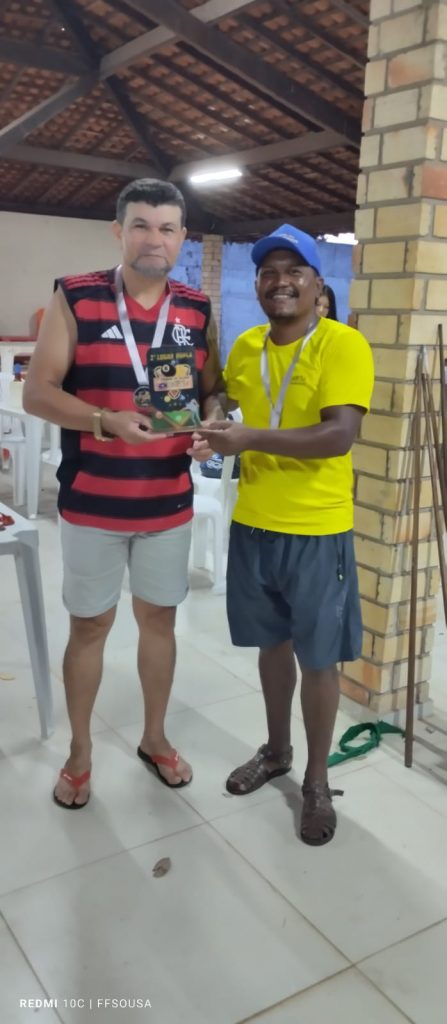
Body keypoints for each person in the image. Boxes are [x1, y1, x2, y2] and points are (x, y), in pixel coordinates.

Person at [24, 178, 223, 808]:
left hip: (168, 503)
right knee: (90, 627)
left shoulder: (196, 308)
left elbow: (212, 391)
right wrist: (103, 420)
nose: (153, 239)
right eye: (140, 225)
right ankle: (80, 753)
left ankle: (154, 738)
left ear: (182, 237)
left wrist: (213, 424)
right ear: (119, 231)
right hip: (93, 504)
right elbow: (37, 392)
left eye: (166, 228)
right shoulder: (77, 296)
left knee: (159, 622)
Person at [191, 223, 374, 846]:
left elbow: (338, 435)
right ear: (258, 286)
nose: (280, 281)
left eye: (295, 271)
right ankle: (276, 751)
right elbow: (224, 397)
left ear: (319, 286)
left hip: (318, 530)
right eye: (268, 272)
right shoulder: (247, 346)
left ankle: (316, 781)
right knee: (271, 646)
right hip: (255, 524)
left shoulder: (343, 345)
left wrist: (248, 439)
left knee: (318, 658)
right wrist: (212, 423)